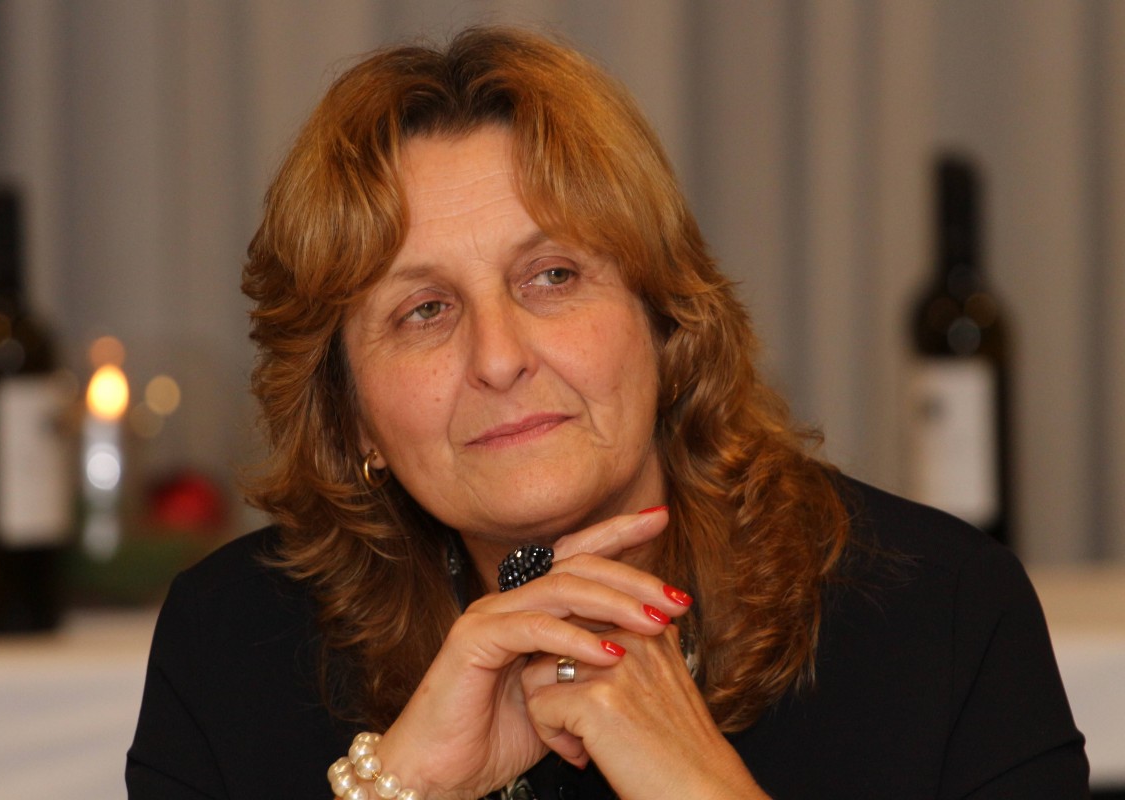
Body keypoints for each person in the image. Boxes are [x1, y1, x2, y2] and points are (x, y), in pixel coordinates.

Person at [126, 26, 1089, 800]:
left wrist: (697, 785)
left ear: (664, 322)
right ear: (351, 418)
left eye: (552, 276)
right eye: (424, 311)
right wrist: (408, 783)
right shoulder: (231, 648)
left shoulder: (938, 614)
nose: (498, 358)